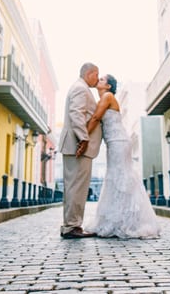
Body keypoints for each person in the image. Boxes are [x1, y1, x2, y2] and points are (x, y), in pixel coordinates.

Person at [85, 74, 161, 239]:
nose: (99, 80)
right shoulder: (103, 98)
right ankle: (118, 219)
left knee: (121, 177)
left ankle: (126, 222)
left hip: (119, 141)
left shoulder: (108, 96)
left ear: (109, 86)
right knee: (115, 177)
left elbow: (96, 118)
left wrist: (83, 136)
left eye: (103, 79)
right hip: (114, 142)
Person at [58, 63, 102, 239]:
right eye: (96, 75)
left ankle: (71, 225)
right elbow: (76, 113)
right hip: (77, 146)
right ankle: (72, 226)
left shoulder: (79, 87)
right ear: (89, 73)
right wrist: (83, 138)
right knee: (77, 188)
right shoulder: (81, 89)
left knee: (73, 187)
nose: (97, 79)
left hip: (74, 145)